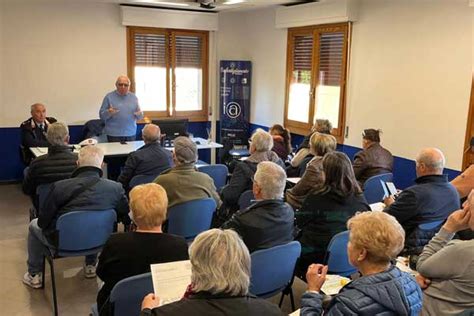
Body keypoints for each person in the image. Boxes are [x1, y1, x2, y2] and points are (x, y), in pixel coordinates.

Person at [22, 145, 130, 289]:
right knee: (97, 220)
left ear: (77, 164)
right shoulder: (115, 188)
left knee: (33, 226)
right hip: (100, 240)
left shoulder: (59, 187)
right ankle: (91, 265)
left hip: (62, 244)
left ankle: (34, 275)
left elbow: (43, 222)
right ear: (102, 165)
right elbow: (124, 216)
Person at [300, 211, 422, 315]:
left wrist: (313, 291)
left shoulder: (348, 304)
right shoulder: (411, 282)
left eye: (350, 241)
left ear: (361, 253)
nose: (348, 245)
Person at [140, 229, 284, 316]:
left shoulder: (162, 313)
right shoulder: (272, 311)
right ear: (244, 265)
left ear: (195, 267)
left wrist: (147, 310)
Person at [96, 183, 188, 315]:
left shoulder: (115, 242)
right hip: (162, 308)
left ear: (132, 214)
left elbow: (102, 273)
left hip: (118, 309)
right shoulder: (180, 245)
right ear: (165, 211)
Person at [295, 151, 369, 278]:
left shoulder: (316, 197)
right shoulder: (360, 198)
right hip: (350, 258)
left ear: (327, 174)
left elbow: (300, 222)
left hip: (316, 259)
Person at [384, 148, 460, 255]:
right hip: (442, 248)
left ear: (422, 167)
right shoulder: (453, 191)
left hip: (409, 249)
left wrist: (390, 204)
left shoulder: (414, 194)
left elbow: (386, 218)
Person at [415, 190, 474, 315]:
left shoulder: (462, 251)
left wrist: (448, 228)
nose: (463, 205)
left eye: (469, 202)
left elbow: (422, 266)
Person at [222, 161, 294, 253]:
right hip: (282, 266)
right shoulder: (289, 212)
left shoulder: (242, 220)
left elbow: (218, 242)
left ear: (256, 188)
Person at [220, 129, 284, 213]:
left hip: (245, 211)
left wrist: (222, 191)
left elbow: (232, 196)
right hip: (274, 211)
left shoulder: (242, 167)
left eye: (251, 141)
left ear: (254, 146)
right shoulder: (279, 164)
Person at [154, 136, 221, 208]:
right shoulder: (206, 180)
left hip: (173, 219)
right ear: (196, 158)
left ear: (173, 157)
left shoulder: (161, 181)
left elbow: (151, 209)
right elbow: (218, 205)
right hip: (202, 219)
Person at [22, 122, 77, 204]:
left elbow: (27, 189)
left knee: (27, 171)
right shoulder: (80, 160)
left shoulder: (37, 163)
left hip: (45, 207)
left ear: (47, 139)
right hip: (72, 205)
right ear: (68, 139)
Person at [286, 133, 337, 210]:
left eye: (311, 143)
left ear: (316, 147)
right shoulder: (334, 162)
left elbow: (298, 190)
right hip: (327, 201)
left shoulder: (314, 166)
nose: (309, 145)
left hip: (310, 201)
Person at [117, 124, 172, 190]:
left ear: (143, 137)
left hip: (139, 192)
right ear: (160, 137)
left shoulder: (135, 156)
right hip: (161, 192)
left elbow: (123, 180)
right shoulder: (169, 155)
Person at [99, 75, 143, 142]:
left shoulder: (134, 98)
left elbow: (140, 116)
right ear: (116, 85)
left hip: (130, 133)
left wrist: (139, 114)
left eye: (126, 85)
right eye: (120, 84)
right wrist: (108, 112)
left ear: (129, 86)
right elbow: (101, 116)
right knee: (114, 152)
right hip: (113, 134)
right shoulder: (109, 97)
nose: (123, 87)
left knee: (130, 152)